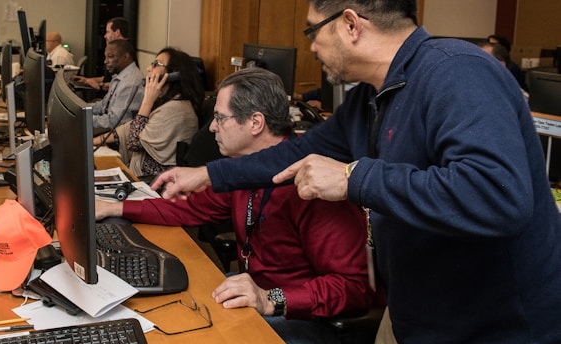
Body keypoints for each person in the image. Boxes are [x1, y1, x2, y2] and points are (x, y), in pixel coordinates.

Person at [151, 0, 561, 342]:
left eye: (313, 31)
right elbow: (291, 156)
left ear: (350, 24)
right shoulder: (371, 98)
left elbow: (497, 194)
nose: (310, 47)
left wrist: (353, 178)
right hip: (417, 314)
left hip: (495, 327)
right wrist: (207, 175)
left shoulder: (457, 71)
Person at [96, 68, 374, 343]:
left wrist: (271, 299)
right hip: (253, 291)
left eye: (219, 117)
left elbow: (355, 287)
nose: (212, 127)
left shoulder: (312, 186)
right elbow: (188, 208)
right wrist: (114, 208)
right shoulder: (243, 172)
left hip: (300, 315)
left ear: (255, 122)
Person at [94, 47, 204, 177]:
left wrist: (147, 101)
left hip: (151, 182)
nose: (148, 69)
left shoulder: (177, 110)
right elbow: (129, 129)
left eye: (156, 64)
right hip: (140, 177)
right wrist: (94, 141)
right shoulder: (166, 103)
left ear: (173, 74)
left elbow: (134, 142)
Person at [90, 39, 143, 130]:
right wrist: (80, 109)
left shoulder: (130, 83)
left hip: (114, 134)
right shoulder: (120, 77)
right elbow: (103, 105)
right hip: (109, 127)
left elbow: (113, 122)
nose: (105, 61)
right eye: (105, 57)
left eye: (110, 56)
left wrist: (84, 119)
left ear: (125, 57)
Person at [71, 17, 131, 92]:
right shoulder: (122, 50)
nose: (105, 36)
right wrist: (87, 80)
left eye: (108, 32)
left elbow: (124, 84)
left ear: (117, 32)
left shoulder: (126, 52)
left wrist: (100, 85)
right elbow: (108, 78)